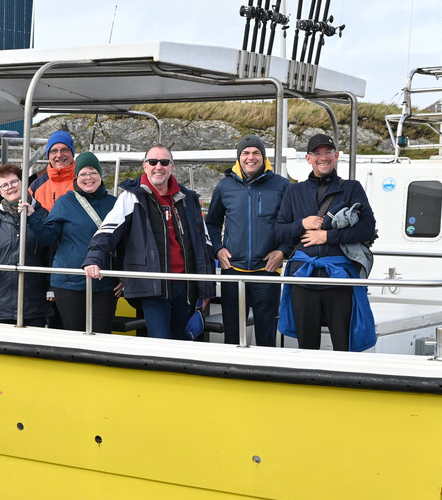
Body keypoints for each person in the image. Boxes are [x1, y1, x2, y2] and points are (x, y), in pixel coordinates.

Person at [83, 146, 215, 340]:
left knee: (185, 346)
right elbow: (107, 232)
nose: (158, 167)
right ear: (145, 166)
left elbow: (205, 244)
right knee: (159, 344)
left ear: (172, 167)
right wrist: (93, 259)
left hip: (186, 289)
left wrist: (207, 288)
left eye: (164, 162)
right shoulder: (131, 197)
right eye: (153, 162)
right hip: (153, 287)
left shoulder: (189, 199)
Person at [274, 133, 377, 351]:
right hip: (303, 279)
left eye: (328, 152)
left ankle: (343, 384)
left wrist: (328, 236)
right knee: (307, 346)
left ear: (337, 156)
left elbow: (368, 227)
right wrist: (302, 223)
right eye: (317, 153)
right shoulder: (294, 191)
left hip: (339, 280)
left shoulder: (352, 188)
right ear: (308, 159)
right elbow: (279, 232)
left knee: (343, 345)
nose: (323, 158)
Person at [206, 135, 291, 346]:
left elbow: (293, 225)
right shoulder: (224, 187)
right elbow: (212, 224)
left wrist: (283, 251)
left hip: (267, 273)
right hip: (233, 273)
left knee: (266, 338)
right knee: (233, 337)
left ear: (263, 157)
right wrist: (217, 249)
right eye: (246, 153)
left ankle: (265, 377)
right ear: (239, 157)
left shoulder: (282, 186)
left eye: (256, 153)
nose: (250, 157)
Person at [27, 151, 120, 333]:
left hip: (105, 283)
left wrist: (124, 277)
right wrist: (32, 217)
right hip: (69, 283)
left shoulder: (114, 204)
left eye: (93, 172)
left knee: (103, 337)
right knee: (75, 335)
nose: (88, 178)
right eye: (83, 173)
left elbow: (124, 242)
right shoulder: (65, 202)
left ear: (100, 175)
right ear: (76, 177)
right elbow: (48, 238)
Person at [0, 164, 53, 326]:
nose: (10, 188)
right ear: (0, 191)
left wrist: (51, 287)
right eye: (4, 185)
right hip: (1, 301)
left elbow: (51, 247)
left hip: (34, 300)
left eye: (14, 182)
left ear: (24, 183)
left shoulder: (42, 213)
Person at [28, 129, 76, 212]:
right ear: (48, 156)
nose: (59, 155)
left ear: (72, 153)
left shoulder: (85, 181)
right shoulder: (36, 185)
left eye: (64, 150)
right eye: (54, 151)